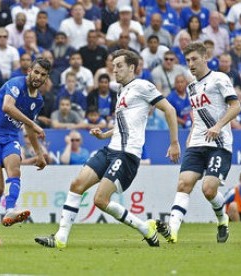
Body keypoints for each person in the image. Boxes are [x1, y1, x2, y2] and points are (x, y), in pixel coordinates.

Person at [35, 49, 180, 248]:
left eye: (119, 66)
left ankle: (145, 229)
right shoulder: (121, 90)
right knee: (77, 184)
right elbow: (125, 123)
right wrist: (104, 134)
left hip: (127, 154)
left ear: (132, 67)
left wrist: (174, 143)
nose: (115, 70)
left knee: (100, 200)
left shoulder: (143, 86)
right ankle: (60, 238)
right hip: (110, 149)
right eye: (113, 66)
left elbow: (170, 110)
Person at [155, 42, 241, 244]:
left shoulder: (219, 78)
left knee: (208, 189)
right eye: (188, 61)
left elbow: (236, 106)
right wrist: (188, 137)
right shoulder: (192, 86)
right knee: (184, 184)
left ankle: (222, 220)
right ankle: (173, 231)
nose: (191, 64)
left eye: (194, 59)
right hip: (196, 143)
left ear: (205, 58)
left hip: (219, 143)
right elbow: (197, 115)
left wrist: (219, 126)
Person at [0, 57, 51, 246]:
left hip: (10, 136)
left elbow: (27, 129)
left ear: (46, 78)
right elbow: (7, 107)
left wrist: (39, 154)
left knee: (14, 168)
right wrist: (33, 123)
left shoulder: (39, 101)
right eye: (36, 72)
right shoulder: (16, 84)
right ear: (29, 71)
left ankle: (10, 209)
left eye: (43, 75)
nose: (38, 77)